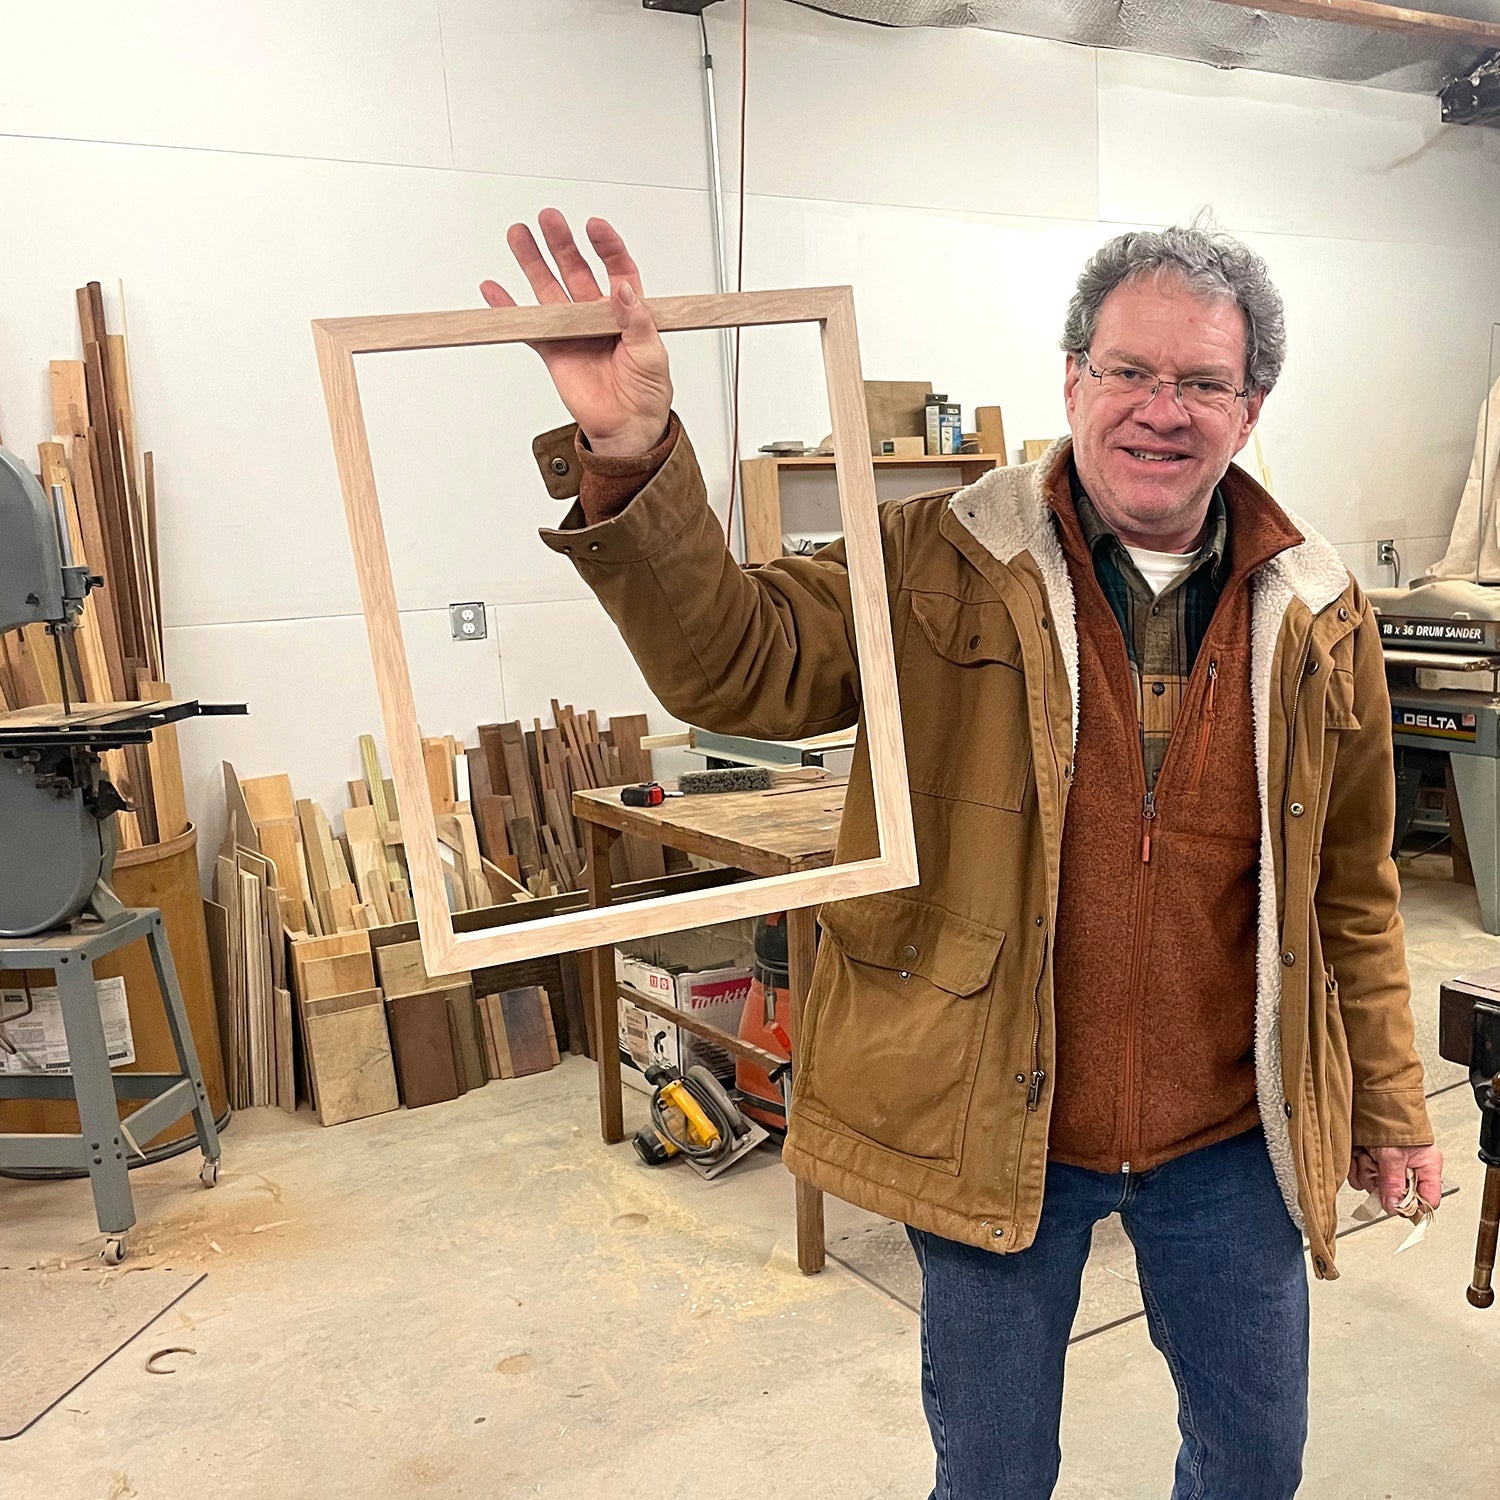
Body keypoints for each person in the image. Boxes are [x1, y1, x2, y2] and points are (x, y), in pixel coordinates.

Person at [483, 211, 1442, 1500]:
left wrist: (1385, 1104)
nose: (1164, 409)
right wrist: (630, 447)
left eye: (1203, 382)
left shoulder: (1317, 611)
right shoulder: (938, 560)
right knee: (990, 1475)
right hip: (995, 1125)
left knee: (1255, 1461)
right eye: (1130, 371)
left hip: (1231, 1139)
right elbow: (735, 660)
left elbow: (1353, 892)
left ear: (1250, 406)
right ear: (1071, 380)